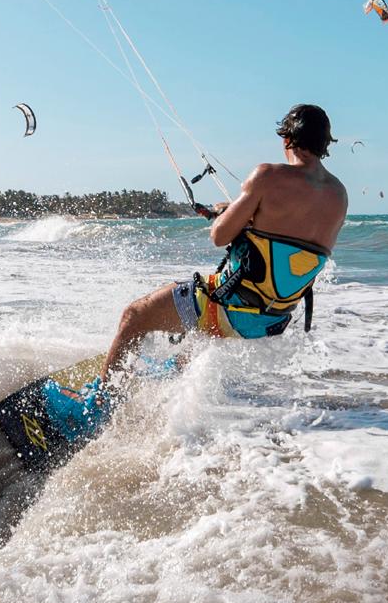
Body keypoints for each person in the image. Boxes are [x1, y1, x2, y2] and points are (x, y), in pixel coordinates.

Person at [44, 104, 348, 432]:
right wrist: (242, 211)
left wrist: (229, 215)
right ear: (324, 143)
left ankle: (95, 410)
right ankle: (165, 376)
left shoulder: (267, 176)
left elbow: (220, 237)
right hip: (270, 321)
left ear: (287, 138)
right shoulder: (339, 195)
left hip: (230, 309)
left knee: (134, 316)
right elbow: (287, 239)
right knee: (192, 330)